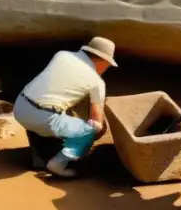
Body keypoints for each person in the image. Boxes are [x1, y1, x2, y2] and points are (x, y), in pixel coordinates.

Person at [13, 37, 118, 178]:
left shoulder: (62, 55)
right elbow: (96, 121)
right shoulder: (97, 82)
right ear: (103, 61)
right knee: (93, 129)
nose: (106, 69)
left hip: (20, 107)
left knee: (47, 107)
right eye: (107, 66)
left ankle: (38, 156)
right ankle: (59, 162)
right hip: (43, 119)